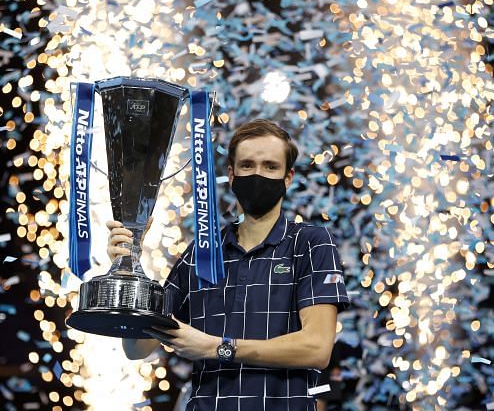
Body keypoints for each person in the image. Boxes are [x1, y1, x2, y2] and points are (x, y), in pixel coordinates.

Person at [106, 119, 349, 410]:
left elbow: (317, 348)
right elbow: (137, 347)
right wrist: (129, 267)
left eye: (270, 166)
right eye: (247, 165)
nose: (258, 174)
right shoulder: (202, 253)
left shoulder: (310, 243)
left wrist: (216, 347)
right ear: (231, 175)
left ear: (288, 177)